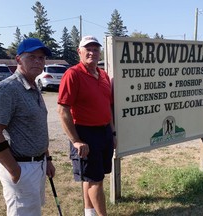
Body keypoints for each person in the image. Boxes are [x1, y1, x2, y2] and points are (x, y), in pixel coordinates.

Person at [0, 38, 55, 216]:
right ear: (18, 59)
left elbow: (36, 127)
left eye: (41, 58)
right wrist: (14, 170)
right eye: (32, 57)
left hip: (37, 165)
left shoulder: (33, 86)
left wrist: (47, 159)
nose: (38, 61)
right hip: (21, 167)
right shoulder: (8, 88)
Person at [57, 35, 116, 216]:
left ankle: (88, 213)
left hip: (104, 131)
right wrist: (75, 141)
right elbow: (63, 110)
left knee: (94, 177)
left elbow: (108, 106)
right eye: (88, 49)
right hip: (85, 133)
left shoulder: (103, 75)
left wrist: (113, 133)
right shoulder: (73, 74)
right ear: (79, 52)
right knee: (95, 180)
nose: (92, 52)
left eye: (96, 49)